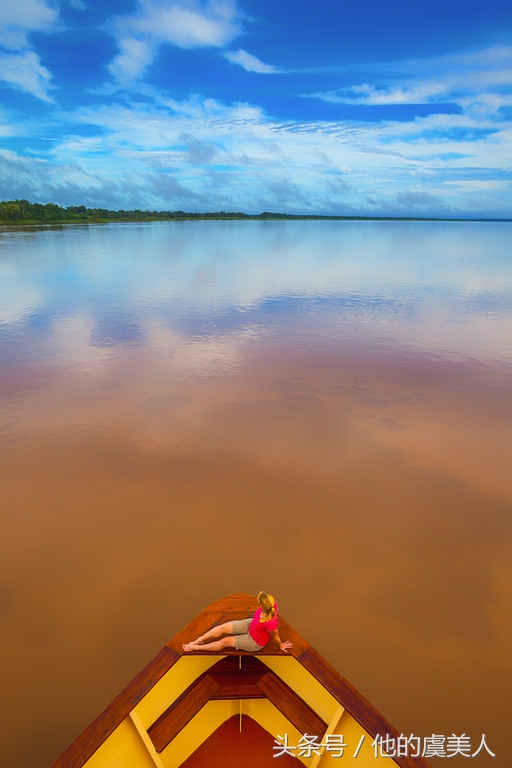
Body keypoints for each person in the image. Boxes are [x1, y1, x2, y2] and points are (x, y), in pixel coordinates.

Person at [182, 591, 293, 653]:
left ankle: (195, 647)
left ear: (261, 605)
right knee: (222, 628)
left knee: (224, 642)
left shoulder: (271, 624)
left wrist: (280, 645)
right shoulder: (272, 604)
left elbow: (276, 636)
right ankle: (198, 641)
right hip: (252, 624)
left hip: (255, 641)